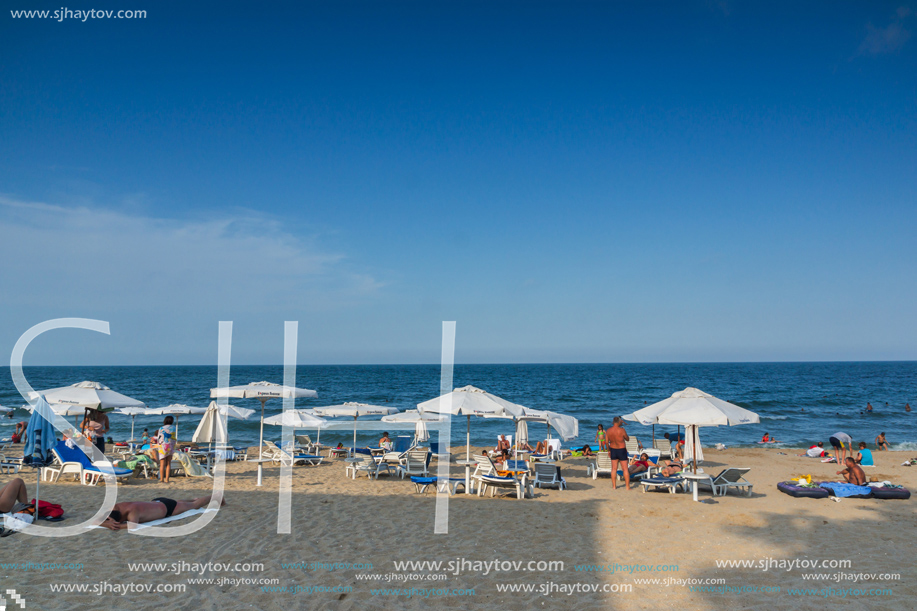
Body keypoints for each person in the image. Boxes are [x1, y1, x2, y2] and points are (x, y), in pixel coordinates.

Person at [101, 495, 225, 530]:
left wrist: (112, 525)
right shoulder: (115, 507)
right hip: (156, 502)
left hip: (169, 507)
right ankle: (192, 498)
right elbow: (99, 518)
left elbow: (133, 526)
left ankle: (216, 497)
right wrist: (105, 523)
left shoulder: (132, 512)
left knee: (195, 505)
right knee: (182, 503)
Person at [606, 416, 630, 490]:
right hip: (621, 449)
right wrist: (624, 430)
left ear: (613, 422)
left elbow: (606, 442)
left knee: (614, 469)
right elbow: (627, 439)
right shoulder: (621, 430)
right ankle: (627, 487)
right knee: (625, 469)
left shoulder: (609, 430)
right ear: (619, 422)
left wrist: (608, 450)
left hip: (613, 449)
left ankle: (614, 486)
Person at [151, 416, 177, 484]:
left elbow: (159, 438)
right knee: (168, 463)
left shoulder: (161, 428)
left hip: (163, 446)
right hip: (170, 446)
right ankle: (167, 479)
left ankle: (162, 479)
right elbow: (173, 437)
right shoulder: (174, 428)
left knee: (162, 464)